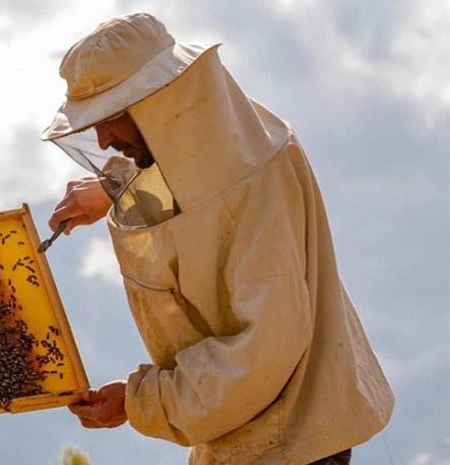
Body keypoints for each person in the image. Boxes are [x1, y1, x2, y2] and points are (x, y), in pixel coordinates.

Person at [40, 13, 394, 465]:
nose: (103, 140)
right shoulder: (226, 159)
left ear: (162, 100)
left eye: (111, 117)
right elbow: (197, 189)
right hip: (246, 442)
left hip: (290, 446)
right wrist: (116, 190)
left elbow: (261, 354)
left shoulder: (255, 183)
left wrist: (141, 401)